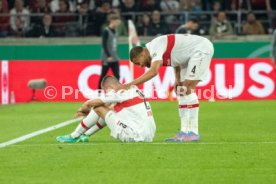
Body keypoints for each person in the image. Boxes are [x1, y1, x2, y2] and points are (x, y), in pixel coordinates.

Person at [125, 34, 214, 142]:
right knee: (181, 90)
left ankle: (194, 132)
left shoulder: (154, 47)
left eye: (138, 62)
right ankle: (184, 132)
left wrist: (130, 84)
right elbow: (176, 59)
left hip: (200, 49)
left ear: (142, 54)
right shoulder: (155, 50)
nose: (140, 66)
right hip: (188, 56)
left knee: (188, 87)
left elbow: (153, 72)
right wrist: (177, 79)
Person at [56, 75, 156, 143]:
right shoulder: (133, 89)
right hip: (149, 135)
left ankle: (74, 136)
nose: (106, 93)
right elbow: (108, 111)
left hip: (135, 136)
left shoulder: (117, 92)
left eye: (105, 91)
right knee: (109, 111)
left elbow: (90, 103)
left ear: (111, 86)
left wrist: (83, 110)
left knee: (98, 107)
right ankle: (85, 135)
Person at [98, 13, 121, 90]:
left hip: (114, 57)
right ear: (112, 21)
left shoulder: (116, 30)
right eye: (117, 22)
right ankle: (99, 92)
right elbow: (104, 44)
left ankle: (116, 91)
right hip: (107, 58)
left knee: (117, 75)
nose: (118, 24)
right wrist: (108, 55)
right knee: (103, 75)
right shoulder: (106, 31)